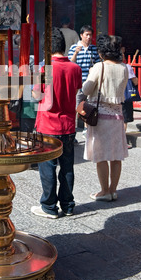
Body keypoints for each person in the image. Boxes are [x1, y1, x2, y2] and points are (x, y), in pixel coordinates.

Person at [31, 28, 82, 218]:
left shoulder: (45, 69)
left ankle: (49, 206)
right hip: (68, 125)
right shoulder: (75, 68)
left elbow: (37, 95)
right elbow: (76, 91)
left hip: (48, 125)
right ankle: (68, 205)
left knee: (48, 167)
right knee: (67, 167)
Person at [82, 35, 128, 201]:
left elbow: (86, 89)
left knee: (101, 156)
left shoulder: (98, 67)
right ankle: (113, 190)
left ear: (102, 51)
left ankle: (104, 191)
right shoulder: (124, 68)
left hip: (99, 117)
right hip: (117, 116)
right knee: (116, 156)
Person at [68, 25, 100, 135]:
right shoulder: (74, 47)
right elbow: (70, 64)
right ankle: (73, 131)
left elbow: (98, 64)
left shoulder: (94, 49)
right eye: (87, 35)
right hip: (79, 83)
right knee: (76, 106)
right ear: (81, 35)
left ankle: (87, 129)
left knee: (89, 106)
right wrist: (76, 53)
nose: (89, 37)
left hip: (90, 82)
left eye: (90, 35)